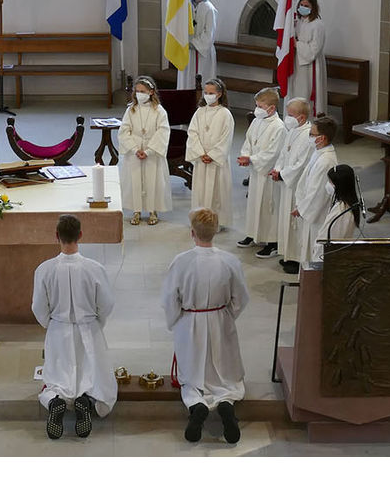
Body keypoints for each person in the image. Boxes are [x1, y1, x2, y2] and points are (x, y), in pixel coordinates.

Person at [161, 207, 249, 444]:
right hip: (220, 320)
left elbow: (170, 299)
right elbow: (241, 297)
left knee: (191, 378)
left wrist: (177, 321)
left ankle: (197, 404)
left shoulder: (181, 262)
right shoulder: (230, 261)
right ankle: (226, 404)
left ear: (192, 233)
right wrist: (226, 315)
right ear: (216, 231)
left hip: (191, 322)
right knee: (226, 378)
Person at [31, 214, 116, 440]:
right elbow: (106, 304)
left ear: (56, 236)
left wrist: (52, 325)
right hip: (89, 329)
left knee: (55, 378)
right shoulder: (94, 268)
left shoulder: (44, 269)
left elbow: (38, 307)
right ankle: (86, 401)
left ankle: (55, 401)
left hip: (58, 329)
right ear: (80, 235)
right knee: (99, 381)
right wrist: (96, 323)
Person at [236, 87, 287, 257]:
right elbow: (249, 140)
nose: (256, 109)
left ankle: (272, 242)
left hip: (267, 175)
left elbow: (273, 153)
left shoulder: (279, 127)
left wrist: (251, 159)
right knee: (254, 205)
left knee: (268, 208)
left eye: (260, 106)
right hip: (256, 173)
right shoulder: (257, 121)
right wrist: (245, 155)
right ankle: (253, 234)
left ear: (271, 108)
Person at [118, 75, 171, 226]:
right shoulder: (131, 110)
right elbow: (124, 131)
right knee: (135, 181)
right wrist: (135, 149)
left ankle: (153, 210)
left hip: (152, 152)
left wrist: (148, 151)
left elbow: (163, 132)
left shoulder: (159, 111)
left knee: (152, 180)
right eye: (137, 91)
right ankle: (136, 210)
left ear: (151, 92)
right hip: (134, 152)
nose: (139, 94)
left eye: (143, 91)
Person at [270, 97, 314, 275]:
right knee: (286, 221)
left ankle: (297, 258)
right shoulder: (292, 130)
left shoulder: (309, 135)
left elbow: (301, 164)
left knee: (295, 223)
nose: (287, 118)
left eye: (290, 115)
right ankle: (288, 253)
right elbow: (283, 153)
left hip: (297, 186)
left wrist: (282, 174)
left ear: (302, 118)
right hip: (286, 183)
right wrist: (277, 170)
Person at [185, 78, 235, 231]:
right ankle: (199, 220)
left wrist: (212, 155)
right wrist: (200, 153)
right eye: (206, 93)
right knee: (201, 191)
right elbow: (192, 133)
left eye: (211, 93)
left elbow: (226, 138)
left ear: (219, 94)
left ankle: (215, 222)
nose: (208, 95)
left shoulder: (225, 114)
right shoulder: (200, 112)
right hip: (202, 159)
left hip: (215, 161)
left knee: (216, 192)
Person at [290, 115, 339, 268]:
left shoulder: (326, 160)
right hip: (310, 208)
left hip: (318, 213)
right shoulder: (319, 152)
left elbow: (318, 192)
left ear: (321, 138)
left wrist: (302, 209)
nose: (309, 136)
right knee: (307, 245)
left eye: (312, 134)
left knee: (313, 246)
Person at [288, 0, 328, 117]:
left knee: (306, 94)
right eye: (301, 5)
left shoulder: (317, 25)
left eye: (306, 6)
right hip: (297, 64)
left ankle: (309, 122)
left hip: (310, 66)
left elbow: (314, 49)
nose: (303, 7)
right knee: (297, 93)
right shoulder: (298, 22)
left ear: (313, 8)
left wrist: (297, 44)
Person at [316, 164, 363, 263]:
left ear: (339, 185)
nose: (328, 184)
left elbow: (331, 239)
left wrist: (317, 253)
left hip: (330, 259)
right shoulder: (345, 203)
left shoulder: (341, 212)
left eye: (330, 182)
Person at [188, 0, 217, 87]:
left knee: (203, 82)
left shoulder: (209, 9)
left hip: (202, 53)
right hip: (188, 51)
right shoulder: (187, 6)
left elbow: (210, 33)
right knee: (188, 82)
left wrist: (194, 43)